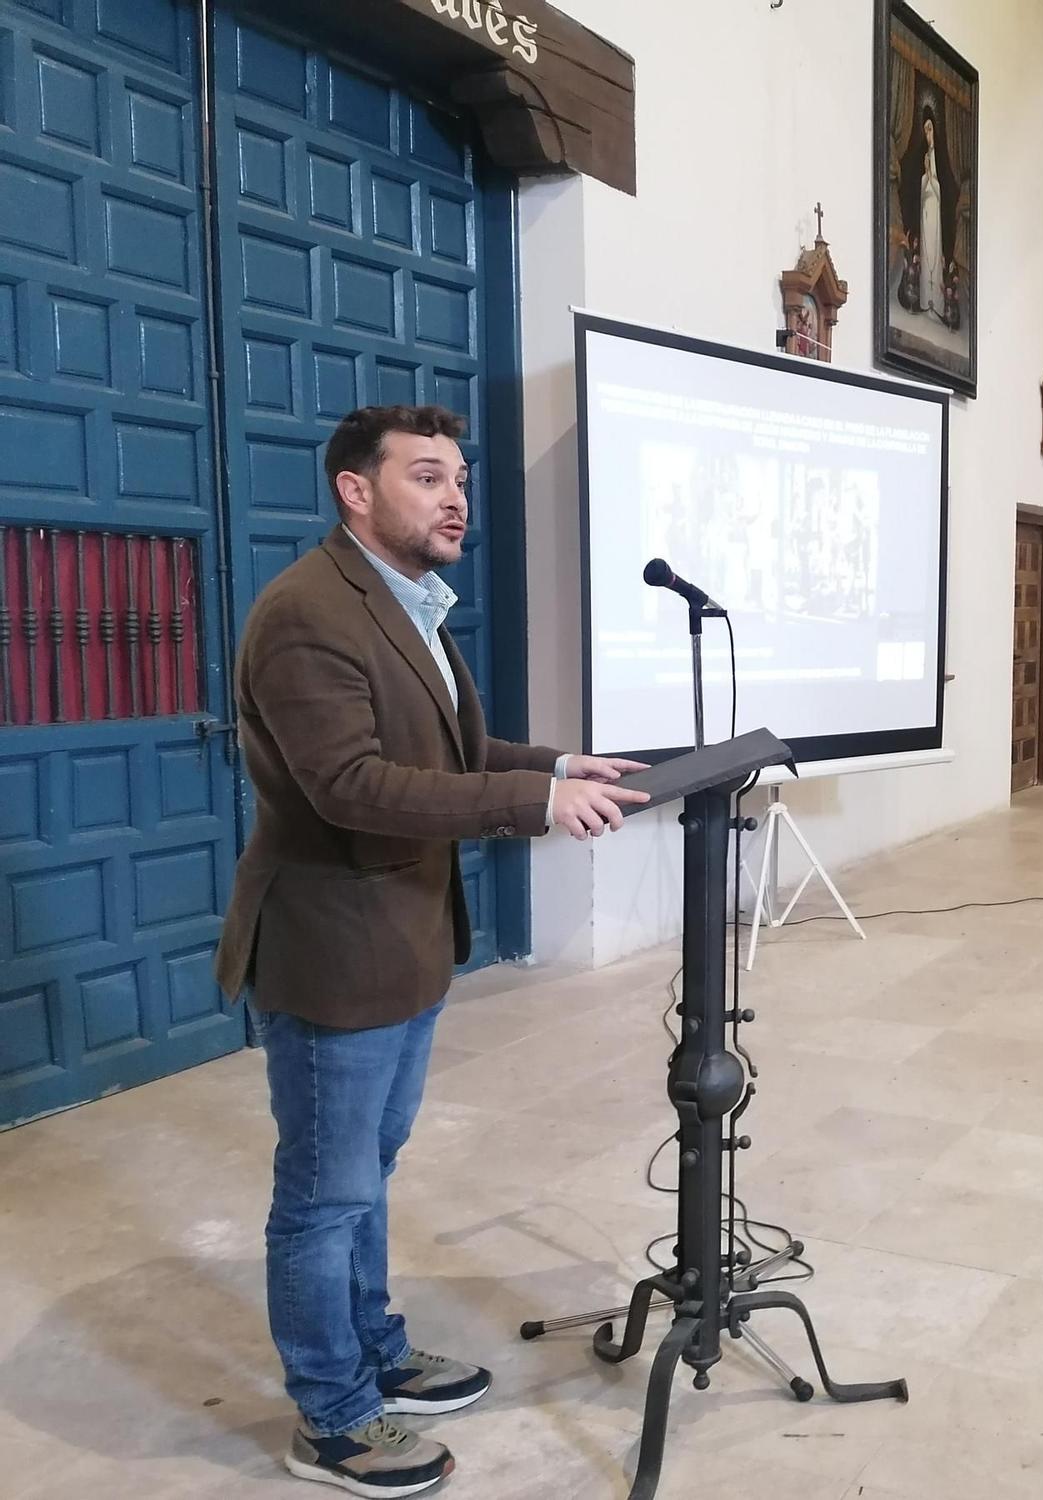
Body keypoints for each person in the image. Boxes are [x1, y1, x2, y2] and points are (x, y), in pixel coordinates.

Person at [214, 404, 650, 1495]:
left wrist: (558, 764)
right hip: (333, 947)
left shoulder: (410, 608)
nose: (455, 497)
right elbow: (352, 787)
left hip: (400, 940)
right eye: (425, 477)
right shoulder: (307, 613)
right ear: (353, 490)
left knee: (365, 1175)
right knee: (322, 1193)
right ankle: (332, 1417)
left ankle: (374, 1352)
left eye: (458, 478)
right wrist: (529, 803)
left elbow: (452, 748)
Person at [918, 109, 947, 319]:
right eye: (925, 129)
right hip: (926, 217)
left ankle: (936, 302)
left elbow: (938, 189)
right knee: (926, 252)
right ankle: (924, 298)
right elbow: (923, 192)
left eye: (931, 129)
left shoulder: (936, 171)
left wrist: (930, 174)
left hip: (935, 217)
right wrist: (926, 176)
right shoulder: (923, 175)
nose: (928, 132)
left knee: (934, 255)